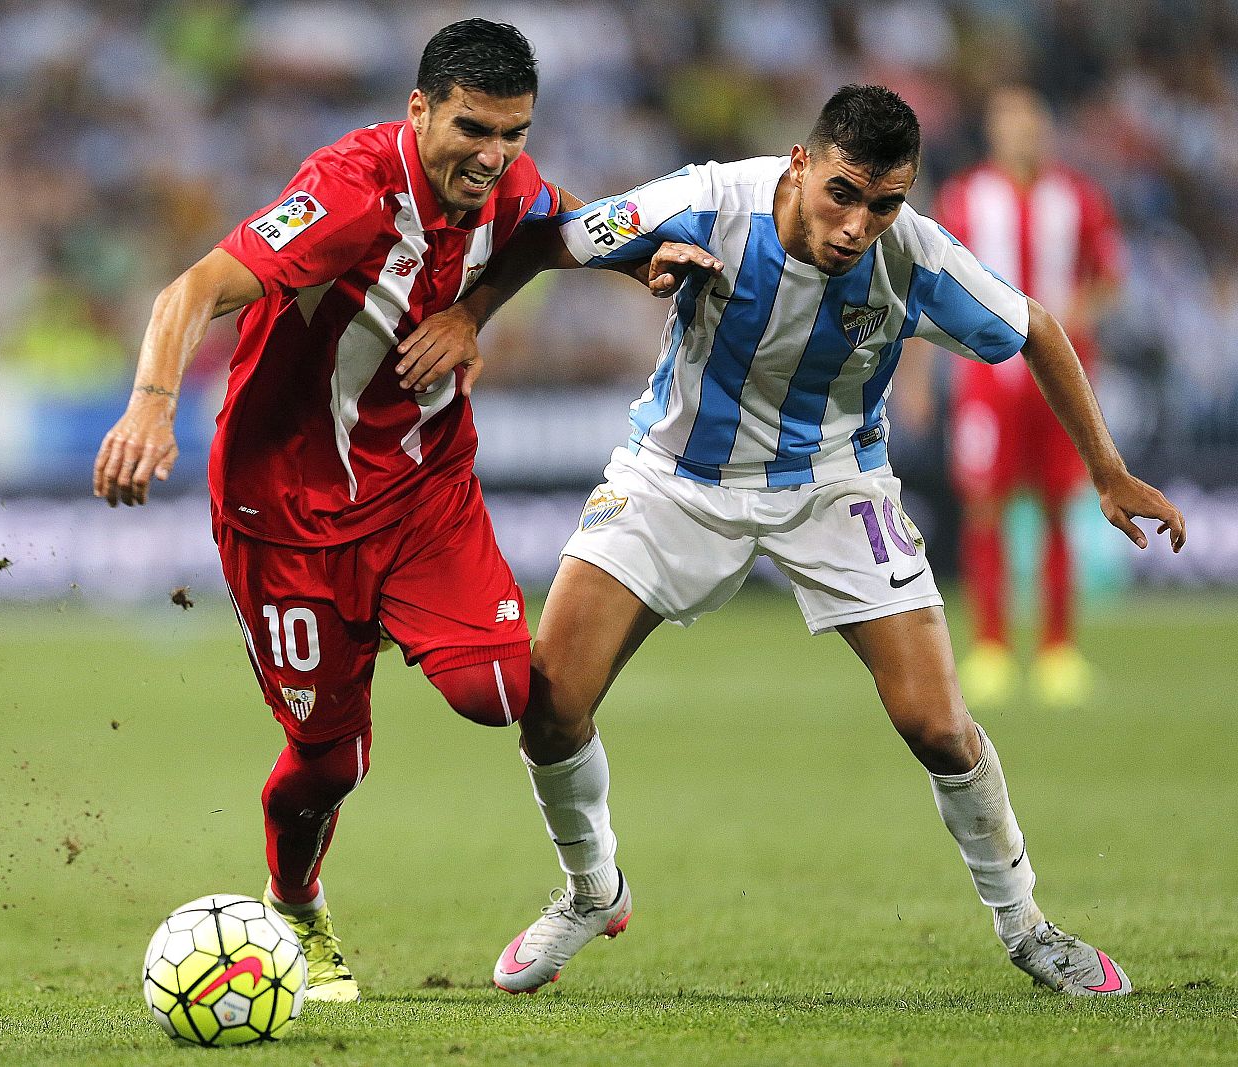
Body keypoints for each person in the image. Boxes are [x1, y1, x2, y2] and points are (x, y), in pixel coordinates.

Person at [394, 84, 1184, 997]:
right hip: (677, 475)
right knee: (549, 701)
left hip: (834, 483)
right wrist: (471, 315)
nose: (858, 225)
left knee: (936, 722)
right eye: (843, 193)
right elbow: (555, 232)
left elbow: (1038, 328)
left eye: (884, 204)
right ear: (801, 164)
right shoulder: (711, 200)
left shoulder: (916, 256)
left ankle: (1028, 926)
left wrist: (1108, 470)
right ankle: (589, 888)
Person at [92, 20, 583, 1003]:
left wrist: (477, 311)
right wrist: (151, 405)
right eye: (473, 129)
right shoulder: (347, 196)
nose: (492, 157)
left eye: (513, 134)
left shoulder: (507, 185)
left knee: (496, 688)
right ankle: (296, 905)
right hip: (282, 511)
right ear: (419, 110)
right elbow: (189, 290)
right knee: (327, 759)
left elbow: (558, 228)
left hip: (420, 491)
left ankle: (589, 873)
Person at [933, 86, 1125, 709]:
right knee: (985, 505)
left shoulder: (1078, 198)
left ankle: (1057, 649)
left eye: (1032, 123)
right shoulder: (964, 198)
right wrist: (912, 377)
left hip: (1061, 381)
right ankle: (990, 645)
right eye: (1011, 124)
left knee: (1056, 507)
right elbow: (926, 281)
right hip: (987, 383)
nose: (1023, 135)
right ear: (994, 131)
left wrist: (1076, 315)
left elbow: (1107, 279)